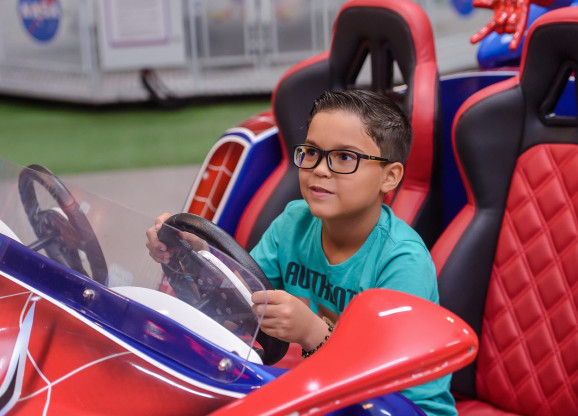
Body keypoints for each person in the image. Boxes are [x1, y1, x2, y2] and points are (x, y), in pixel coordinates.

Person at [146, 90, 456, 416]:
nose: (320, 169)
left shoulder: (402, 262)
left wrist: (313, 333)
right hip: (324, 386)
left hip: (398, 406)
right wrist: (194, 255)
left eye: (345, 157)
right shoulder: (293, 222)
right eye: (312, 152)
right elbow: (242, 296)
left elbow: (386, 381)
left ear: (389, 177)